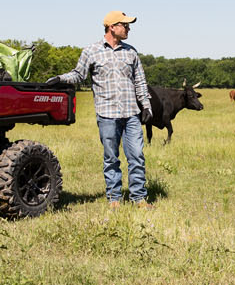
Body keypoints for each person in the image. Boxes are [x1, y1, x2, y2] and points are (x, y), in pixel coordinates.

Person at [46, 11, 154, 209]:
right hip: (107, 114)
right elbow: (79, 75)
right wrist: (60, 79)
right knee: (111, 158)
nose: (129, 28)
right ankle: (114, 199)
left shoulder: (131, 52)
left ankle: (139, 198)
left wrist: (146, 106)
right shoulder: (91, 51)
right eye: (125, 25)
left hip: (131, 113)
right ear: (112, 27)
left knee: (137, 156)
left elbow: (140, 81)